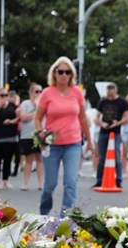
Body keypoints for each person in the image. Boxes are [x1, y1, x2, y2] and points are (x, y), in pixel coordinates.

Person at [36, 56, 89, 215]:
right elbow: (38, 118)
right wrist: (42, 135)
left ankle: (66, 220)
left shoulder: (77, 93)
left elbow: (83, 118)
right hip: (52, 143)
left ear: (72, 75)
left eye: (67, 72)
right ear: (54, 73)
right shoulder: (47, 93)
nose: (64, 75)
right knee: (50, 184)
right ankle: (44, 214)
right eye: (60, 72)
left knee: (71, 182)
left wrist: (90, 141)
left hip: (73, 143)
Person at [94, 82, 128, 189]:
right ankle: (99, 180)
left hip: (116, 132)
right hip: (104, 132)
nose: (110, 96)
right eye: (108, 94)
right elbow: (96, 118)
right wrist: (102, 123)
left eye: (112, 94)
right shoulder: (103, 101)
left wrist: (117, 123)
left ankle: (118, 180)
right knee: (101, 157)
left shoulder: (122, 102)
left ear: (115, 91)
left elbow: (126, 118)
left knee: (117, 157)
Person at [0, 86, 20, 189]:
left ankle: (5, 180)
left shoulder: (12, 105)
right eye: (2, 95)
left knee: (8, 159)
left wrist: (12, 121)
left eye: (6, 95)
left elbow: (18, 116)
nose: (5, 97)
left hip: (10, 137)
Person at [18, 83, 44, 190]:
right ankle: (26, 183)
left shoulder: (43, 104)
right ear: (31, 92)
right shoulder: (25, 104)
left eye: (40, 92)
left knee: (40, 159)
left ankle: (41, 184)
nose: (38, 94)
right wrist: (36, 109)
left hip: (40, 134)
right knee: (29, 159)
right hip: (27, 135)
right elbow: (23, 117)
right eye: (36, 92)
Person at [9, 90, 21, 177]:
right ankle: (8, 169)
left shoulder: (18, 106)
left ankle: (16, 169)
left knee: (17, 151)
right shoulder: (8, 107)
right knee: (8, 151)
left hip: (18, 130)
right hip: (9, 131)